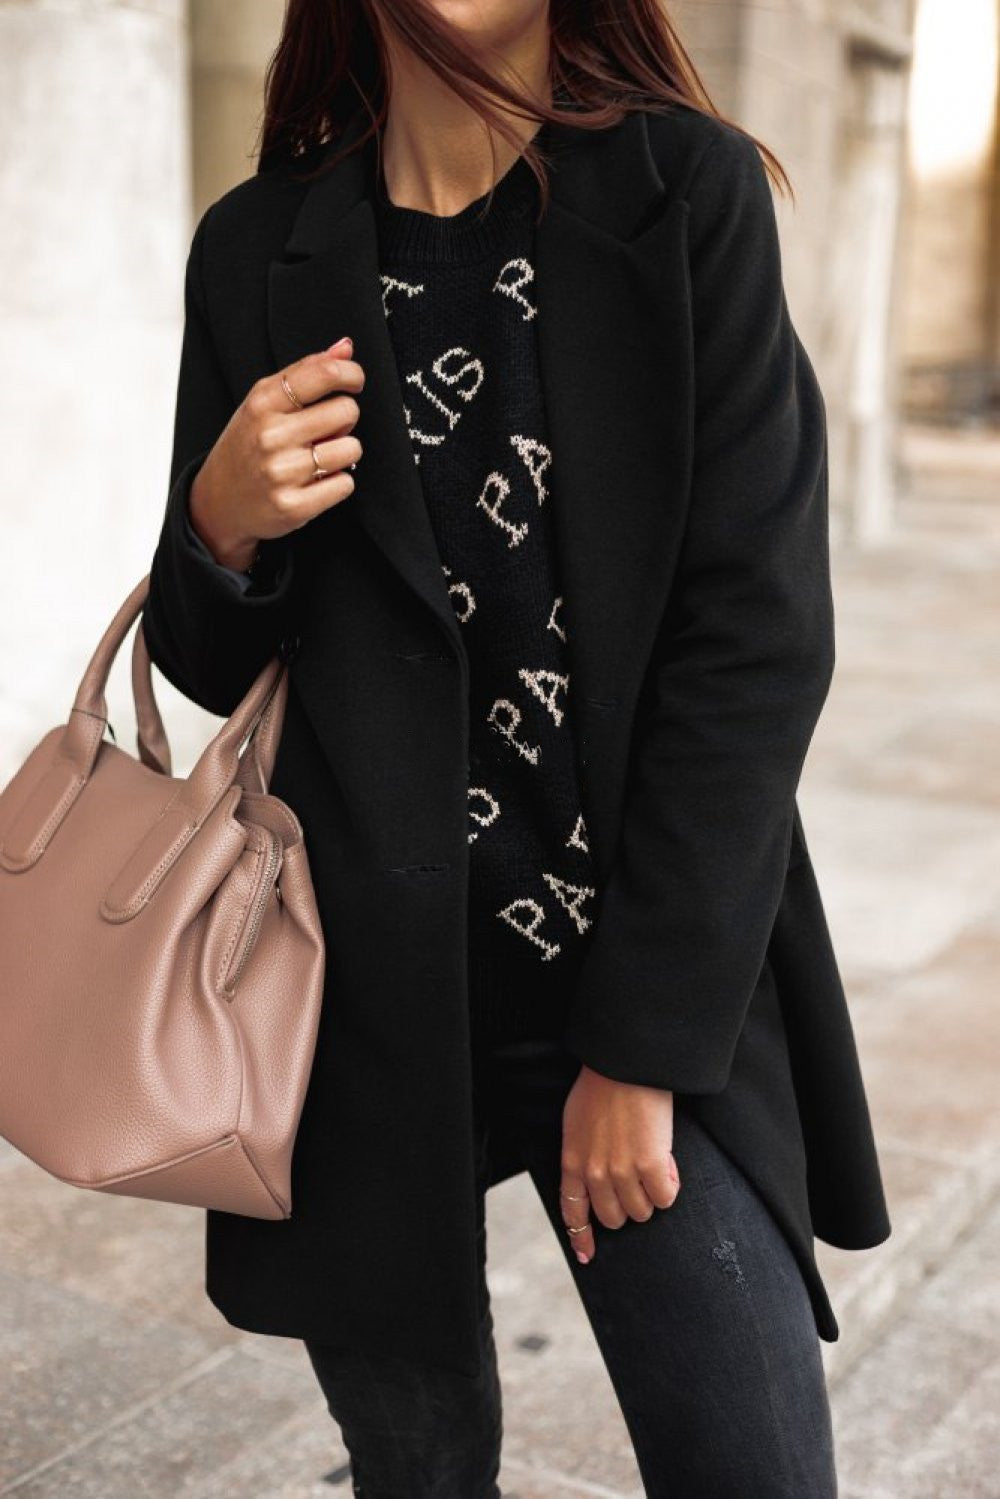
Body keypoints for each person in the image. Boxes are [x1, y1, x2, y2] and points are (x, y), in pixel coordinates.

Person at [141, 1, 893, 1493]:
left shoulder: (688, 196)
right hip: (356, 998)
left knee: (751, 1467)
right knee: (416, 1473)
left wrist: (644, 1047)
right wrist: (220, 521)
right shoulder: (257, 246)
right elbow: (211, 661)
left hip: (635, 972)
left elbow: (756, 644)